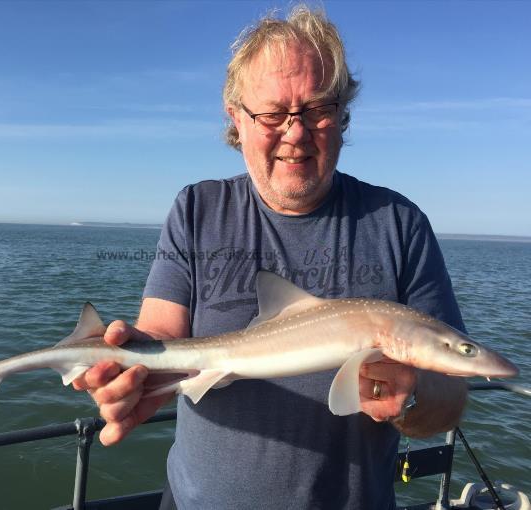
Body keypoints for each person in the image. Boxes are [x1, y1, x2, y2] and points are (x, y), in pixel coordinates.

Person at [73, 5, 468, 509]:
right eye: (273, 114)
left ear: (344, 114)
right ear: (236, 119)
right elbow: (162, 338)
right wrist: (127, 375)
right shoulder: (197, 209)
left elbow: (452, 399)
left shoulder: (399, 223)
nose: (296, 132)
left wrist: (410, 399)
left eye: (318, 108)